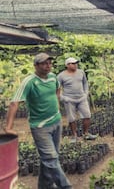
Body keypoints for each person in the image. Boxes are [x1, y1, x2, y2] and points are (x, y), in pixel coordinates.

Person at [4, 53, 72, 189]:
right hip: (40, 127)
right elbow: (14, 103)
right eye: (44, 63)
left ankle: (44, 186)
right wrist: (9, 127)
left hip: (56, 122)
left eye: (49, 63)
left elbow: (58, 89)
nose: (48, 66)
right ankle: (66, 186)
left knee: (51, 158)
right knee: (51, 158)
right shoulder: (29, 82)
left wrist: (56, 105)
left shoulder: (53, 77)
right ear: (35, 65)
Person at [58, 57, 97, 142]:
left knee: (87, 115)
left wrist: (85, 93)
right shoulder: (61, 76)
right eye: (73, 63)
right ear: (67, 65)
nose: (75, 65)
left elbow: (85, 83)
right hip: (69, 99)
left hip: (81, 98)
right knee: (72, 118)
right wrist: (63, 98)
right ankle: (74, 136)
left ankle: (86, 134)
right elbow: (56, 88)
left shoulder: (81, 72)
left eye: (76, 63)